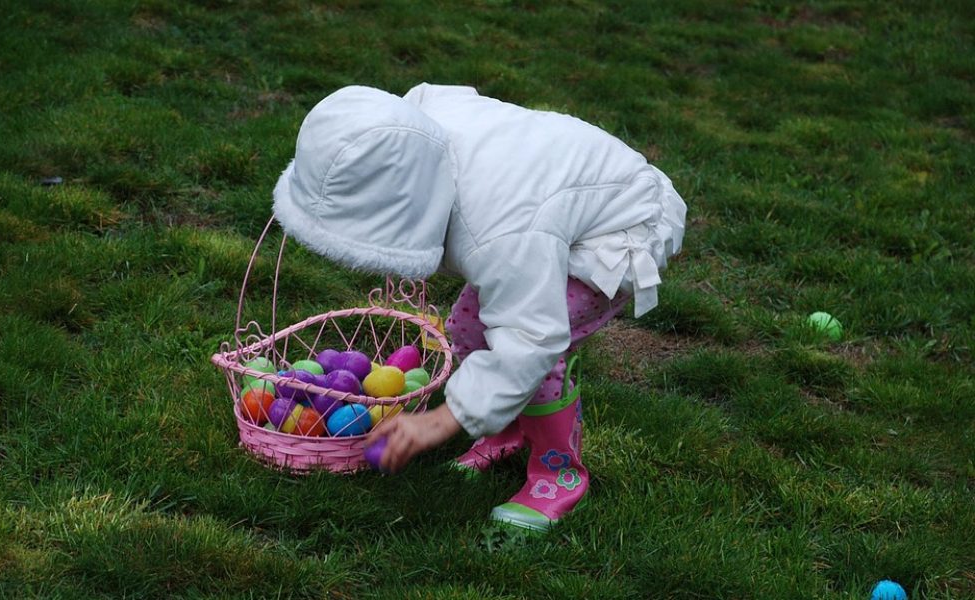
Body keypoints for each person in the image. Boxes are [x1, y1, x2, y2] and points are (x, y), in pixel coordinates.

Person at [273, 83, 686, 532]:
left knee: (538, 355)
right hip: (550, 196)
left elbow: (532, 337)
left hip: (622, 223)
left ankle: (559, 474)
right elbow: (438, 93)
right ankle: (508, 426)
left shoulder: (501, 229)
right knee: (470, 327)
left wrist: (441, 422)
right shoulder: (409, 130)